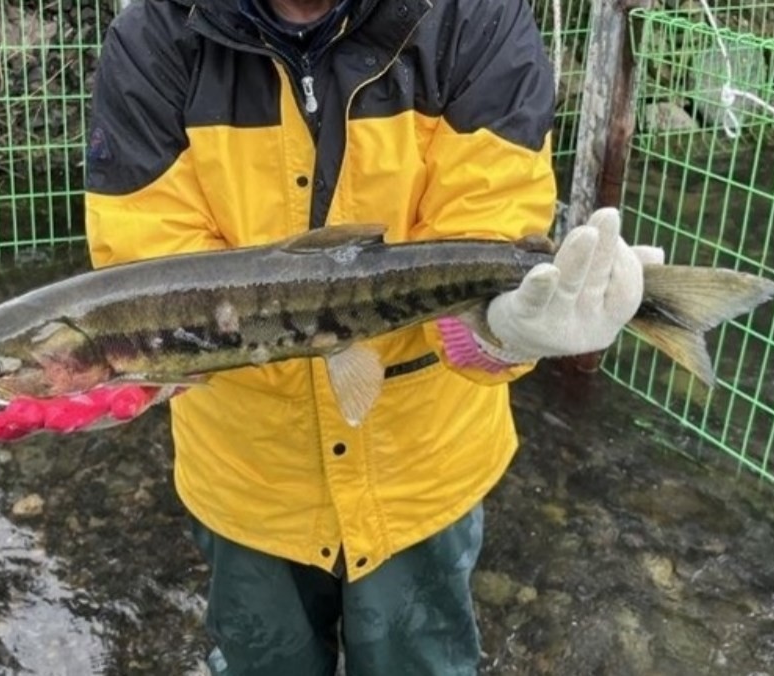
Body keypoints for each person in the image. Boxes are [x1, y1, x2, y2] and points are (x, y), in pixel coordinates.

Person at [71, 0, 660, 673]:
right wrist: (126, 368)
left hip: (423, 470)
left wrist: (499, 335)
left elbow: (491, 226)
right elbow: (144, 263)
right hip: (248, 475)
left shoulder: (476, 19)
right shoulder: (154, 38)